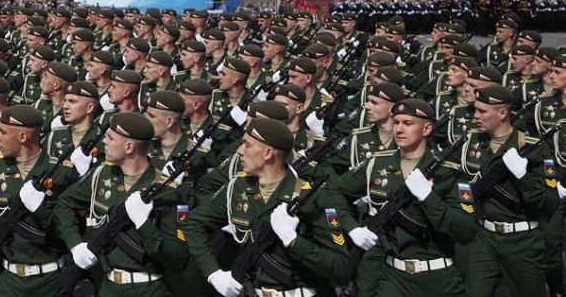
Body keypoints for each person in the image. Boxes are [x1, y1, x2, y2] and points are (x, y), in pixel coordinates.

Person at [325, 98, 478, 296]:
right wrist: (351, 227)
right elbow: (331, 191)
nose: (398, 129)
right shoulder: (377, 164)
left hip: (439, 279)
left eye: (408, 123)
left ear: (427, 129)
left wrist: (427, 196)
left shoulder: (449, 172)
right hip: (394, 278)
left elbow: (466, 230)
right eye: (396, 122)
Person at [183, 118, 349, 297]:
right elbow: (193, 223)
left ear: (268, 153)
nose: (239, 151)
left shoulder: (310, 196)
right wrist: (214, 274)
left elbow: (341, 268)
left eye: (247, 145)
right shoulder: (238, 187)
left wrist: (293, 240)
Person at [54, 112, 188, 296]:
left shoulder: (167, 190)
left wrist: (144, 225)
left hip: (147, 290)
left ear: (129, 146)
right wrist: (75, 244)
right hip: (107, 286)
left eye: (110, 138)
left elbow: (178, 258)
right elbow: (64, 203)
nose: (104, 142)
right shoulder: (101, 173)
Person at [0, 104, 77, 296]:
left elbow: (72, 223)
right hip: (8, 280)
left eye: (3, 132)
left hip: (49, 281)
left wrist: (41, 211)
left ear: (22, 137)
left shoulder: (62, 171)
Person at [460, 85, 559, 297]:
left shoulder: (533, 147)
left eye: (482, 111)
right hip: (483, 236)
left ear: (503, 113)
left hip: (522, 240)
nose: (475, 115)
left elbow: (550, 203)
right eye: (475, 109)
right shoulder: (472, 142)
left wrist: (523, 177)